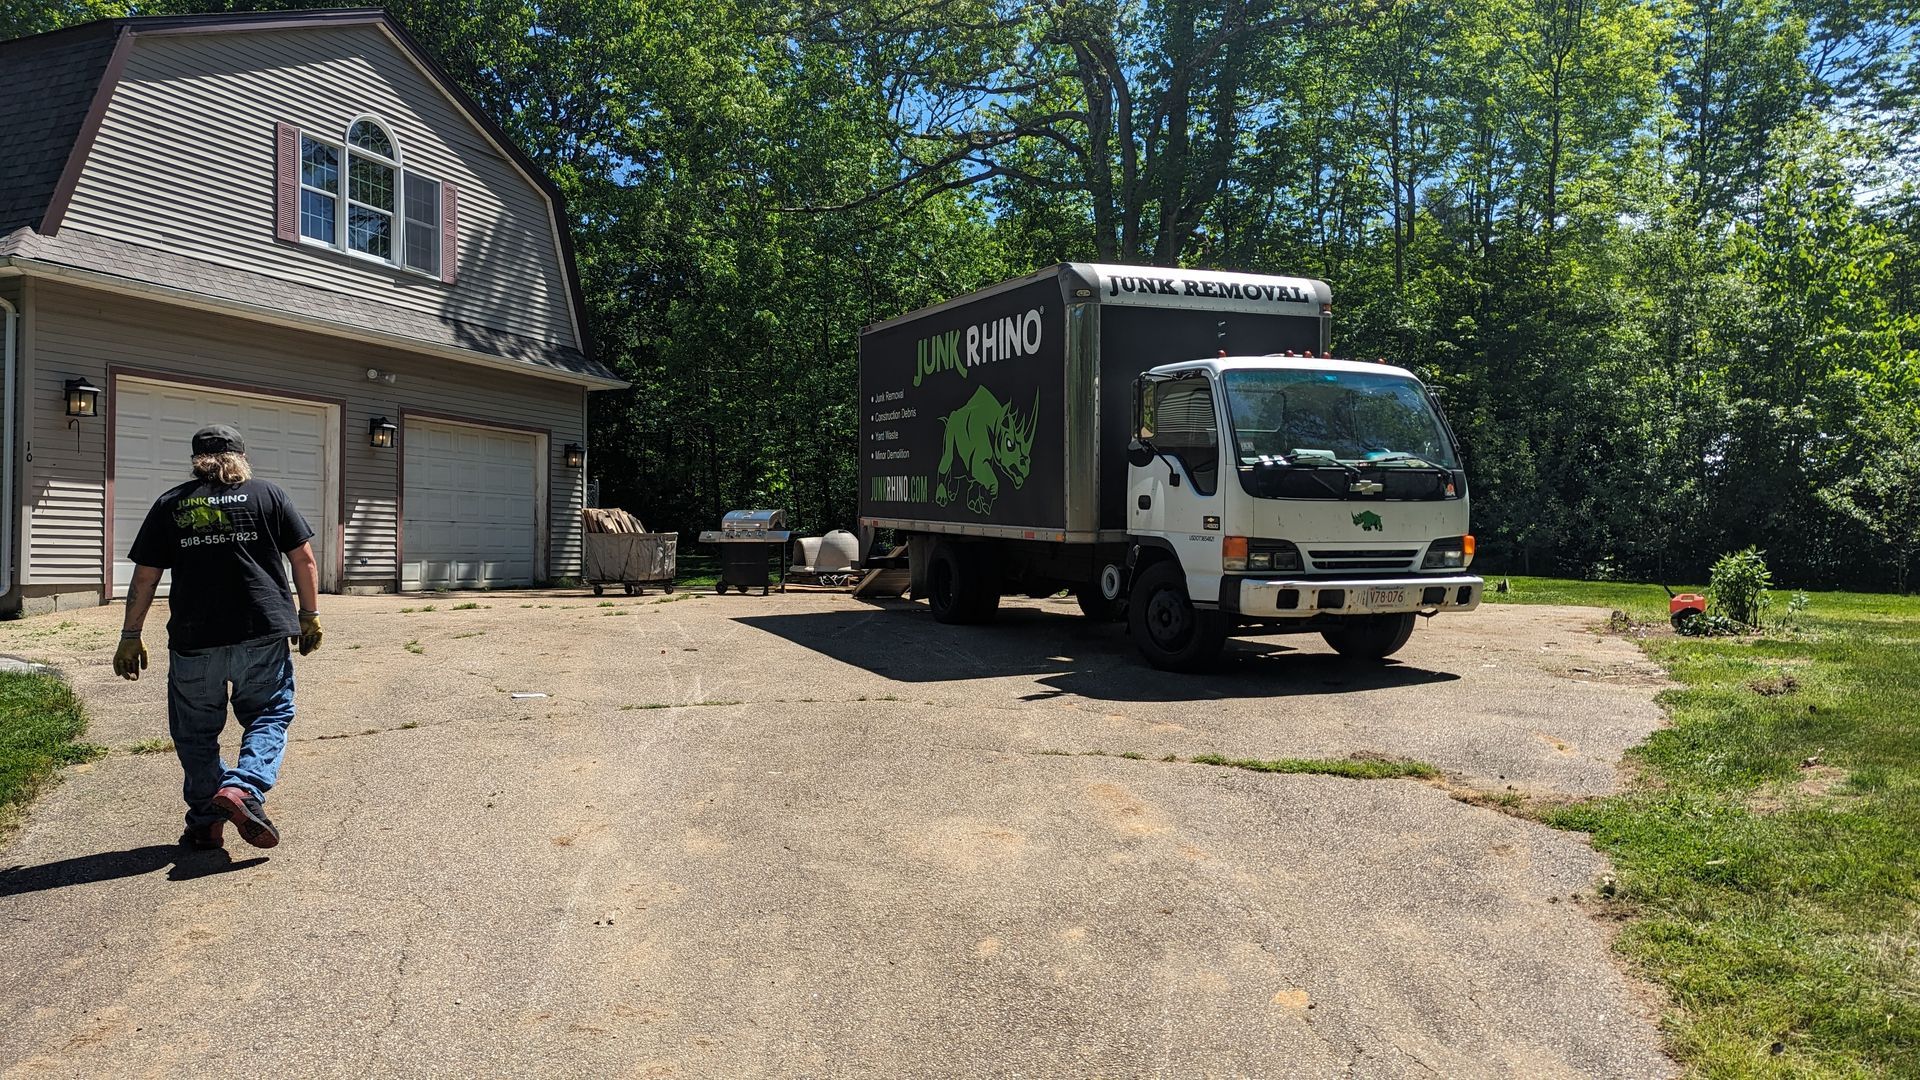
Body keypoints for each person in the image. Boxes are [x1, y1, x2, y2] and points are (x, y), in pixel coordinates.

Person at [112, 424, 323, 851]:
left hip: (195, 639)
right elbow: (303, 558)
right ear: (241, 457)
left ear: (197, 461)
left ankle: (207, 822)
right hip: (262, 631)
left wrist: (130, 634)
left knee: (195, 733)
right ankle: (243, 788)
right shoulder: (270, 495)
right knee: (268, 716)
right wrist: (309, 614)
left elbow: (146, 576)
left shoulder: (171, 503)